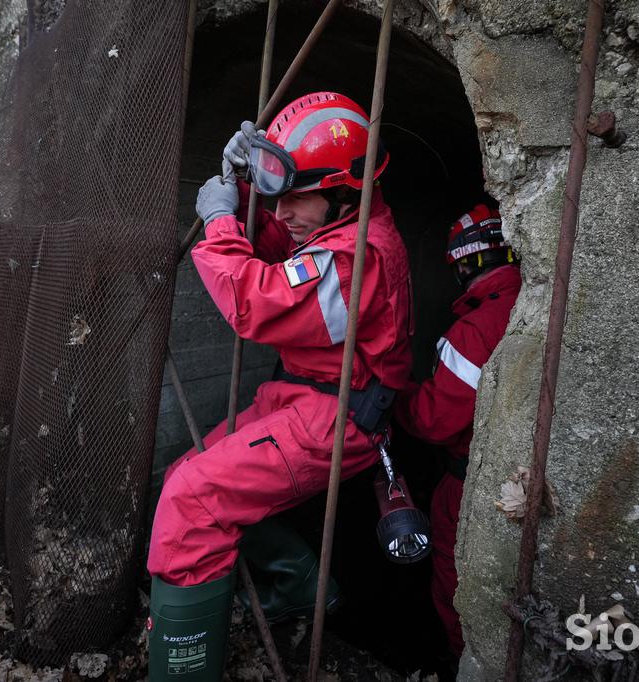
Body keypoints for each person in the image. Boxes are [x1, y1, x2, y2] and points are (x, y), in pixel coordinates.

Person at [145, 91, 413, 680]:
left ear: (345, 191)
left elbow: (257, 300)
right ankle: (298, 582)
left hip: (337, 418)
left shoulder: (356, 259)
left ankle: (182, 668)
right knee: (184, 474)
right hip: (303, 395)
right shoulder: (338, 226)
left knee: (193, 500)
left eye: (295, 198)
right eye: (278, 198)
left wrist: (218, 219)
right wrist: (244, 190)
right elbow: (278, 249)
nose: (282, 213)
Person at [393, 199, 521, 659]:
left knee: (456, 589)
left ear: (464, 263)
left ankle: (463, 664)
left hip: (470, 485)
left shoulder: (474, 329)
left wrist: (394, 396)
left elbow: (434, 418)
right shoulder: (530, 304)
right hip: (520, 482)